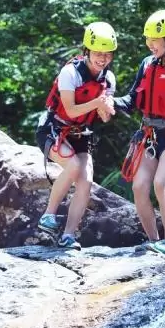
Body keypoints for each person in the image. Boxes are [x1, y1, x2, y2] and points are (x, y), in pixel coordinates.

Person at [113, 9, 165, 254]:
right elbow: (131, 99)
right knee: (139, 186)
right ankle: (153, 240)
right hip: (149, 134)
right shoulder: (147, 64)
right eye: (147, 39)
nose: (150, 44)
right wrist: (109, 101)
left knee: (161, 184)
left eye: (154, 40)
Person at [35, 22, 117, 249]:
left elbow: (105, 117)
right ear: (87, 50)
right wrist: (97, 102)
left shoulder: (108, 79)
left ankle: (69, 236)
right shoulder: (70, 73)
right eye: (98, 53)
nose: (103, 58)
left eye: (107, 54)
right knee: (72, 166)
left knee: (86, 180)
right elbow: (70, 109)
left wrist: (106, 107)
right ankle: (48, 216)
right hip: (54, 129)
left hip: (81, 133)